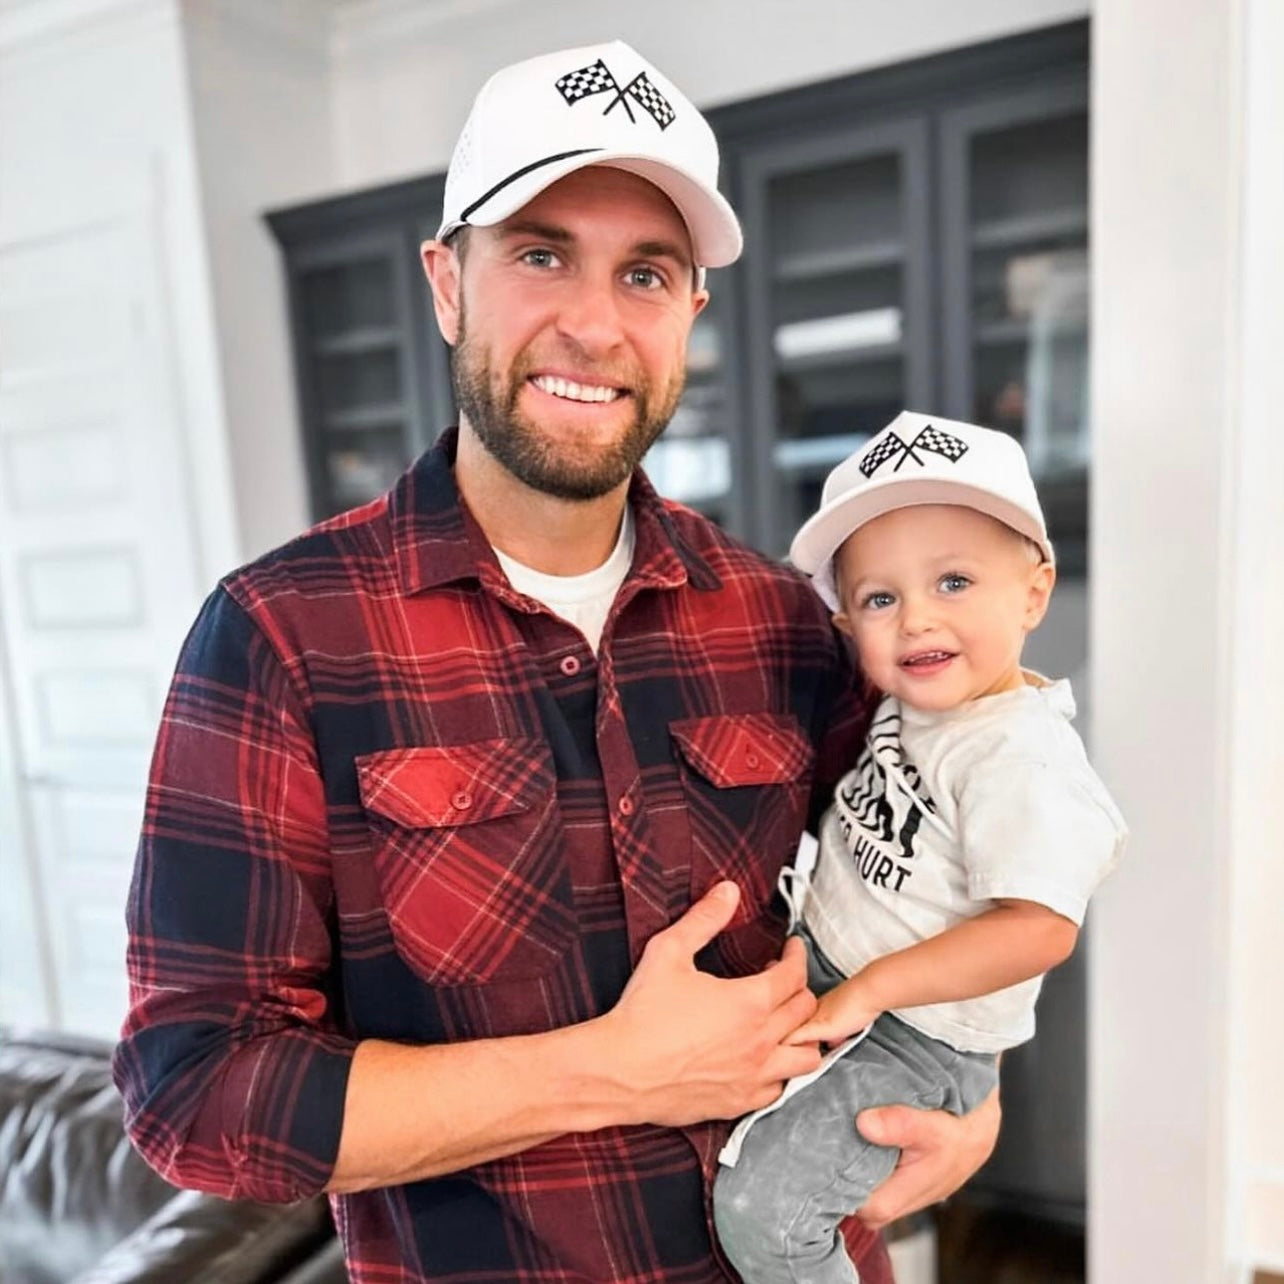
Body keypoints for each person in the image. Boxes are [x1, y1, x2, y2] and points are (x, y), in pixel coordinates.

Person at [113, 43, 999, 1284]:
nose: (593, 323)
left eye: (646, 273)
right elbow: (195, 1098)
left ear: (689, 315)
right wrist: (608, 1073)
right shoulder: (282, 636)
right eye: (540, 255)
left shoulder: (780, 622)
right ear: (447, 283)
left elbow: (958, 861)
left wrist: (975, 1094)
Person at [712, 411, 1127, 1282]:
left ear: (1034, 593)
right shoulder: (921, 704)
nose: (915, 620)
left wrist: (871, 989)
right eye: (881, 598)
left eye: (954, 581)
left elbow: (1040, 930)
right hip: (840, 977)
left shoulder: (1021, 760)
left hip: (918, 1031)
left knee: (765, 1214)